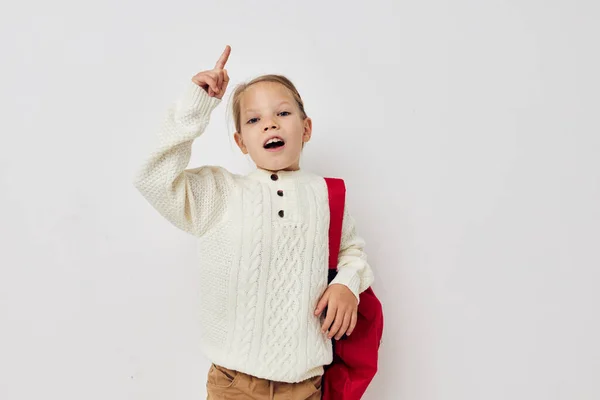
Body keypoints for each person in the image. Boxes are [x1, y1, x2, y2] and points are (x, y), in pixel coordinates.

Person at [133, 45, 374, 399]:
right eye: (253, 119)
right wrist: (195, 107)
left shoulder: (327, 195)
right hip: (234, 385)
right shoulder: (220, 193)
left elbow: (351, 250)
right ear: (240, 142)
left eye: (282, 113)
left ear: (306, 128)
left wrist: (347, 284)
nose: (270, 124)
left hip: (305, 386)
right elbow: (153, 178)